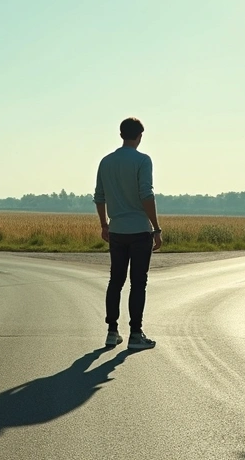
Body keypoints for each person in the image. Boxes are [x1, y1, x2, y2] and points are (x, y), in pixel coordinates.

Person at [94, 117, 161, 350]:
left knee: (116, 281)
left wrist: (104, 225)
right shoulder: (143, 160)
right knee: (138, 283)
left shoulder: (106, 162)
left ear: (121, 134)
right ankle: (135, 333)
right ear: (139, 136)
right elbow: (146, 195)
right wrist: (156, 227)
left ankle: (112, 331)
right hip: (140, 230)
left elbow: (99, 197)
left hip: (117, 230)